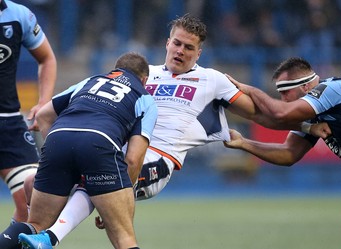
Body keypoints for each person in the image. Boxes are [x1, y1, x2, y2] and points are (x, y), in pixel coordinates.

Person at [15, 13, 260, 248]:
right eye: (177, 43)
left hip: (156, 162)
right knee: (31, 181)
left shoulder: (212, 79)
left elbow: (262, 114)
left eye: (188, 47)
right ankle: (33, 236)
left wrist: (121, 195)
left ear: (199, 53)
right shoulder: (143, 75)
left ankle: (49, 238)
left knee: (93, 186)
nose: (180, 51)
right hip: (112, 156)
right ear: (167, 43)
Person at [223, 57, 341, 249]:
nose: (283, 99)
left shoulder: (333, 89)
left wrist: (251, 90)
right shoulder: (312, 117)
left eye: (285, 92)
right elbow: (289, 154)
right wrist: (244, 143)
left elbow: (279, 114)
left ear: (306, 87)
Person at [0, 51, 158, 249]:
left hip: (58, 139)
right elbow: (134, 160)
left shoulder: (91, 81)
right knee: (123, 237)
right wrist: (119, 195)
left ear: (114, 70)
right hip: (100, 143)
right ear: (144, 80)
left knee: (35, 225)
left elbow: (43, 116)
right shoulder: (145, 99)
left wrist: (60, 159)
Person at [0, 0, 57, 226]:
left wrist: (43, 101)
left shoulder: (19, 15)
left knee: (34, 199)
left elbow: (47, 58)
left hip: (10, 124)